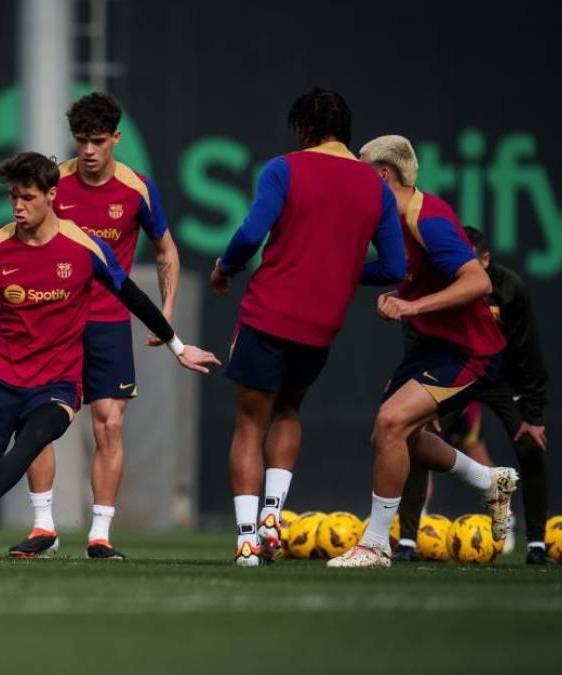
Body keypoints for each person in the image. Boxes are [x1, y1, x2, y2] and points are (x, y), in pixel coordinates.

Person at [0, 152, 219, 558]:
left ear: (51, 195)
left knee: (31, 440)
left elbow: (133, 297)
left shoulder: (84, 248)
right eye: (13, 198)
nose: (18, 207)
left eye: (27, 197)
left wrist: (178, 348)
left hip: (57, 384)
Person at [208, 88, 405, 566]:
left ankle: (248, 542)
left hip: (270, 312)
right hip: (321, 325)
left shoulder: (284, 168)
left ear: (303, 127)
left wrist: (224, 268)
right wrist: (338, 270)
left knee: (250, 424)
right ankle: (275, 514)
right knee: (290, 411)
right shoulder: (374, 186)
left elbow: (251, 233)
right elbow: (394, 267)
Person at [0, 93, 180, 560]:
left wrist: (166, 310)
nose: (88, 150)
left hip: (109, 322)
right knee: (36, 422)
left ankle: (100, 535)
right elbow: (17, 244)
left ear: (115, 138)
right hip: (49, 321)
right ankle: (44, 527)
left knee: (109, 425)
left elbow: (166, 249)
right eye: (80, 140)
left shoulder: (137, 189)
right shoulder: (55, 184)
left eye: (97, 140)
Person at [328, 135, 519, 569]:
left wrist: (410, 305)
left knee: (391, 422)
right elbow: (402, 272)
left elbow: (477, 282)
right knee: (391, 436)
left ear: (382, 175)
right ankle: (489, 480)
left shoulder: (428, 218)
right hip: (431, 345)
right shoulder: (391, 220)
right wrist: (396, 293)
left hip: (468, 349)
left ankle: (375, 546)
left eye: (360, 170)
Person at [393, 226, 551, 565]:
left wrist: (534, 416)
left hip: (501, 377)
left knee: (530, 445)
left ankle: (536, 544)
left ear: (486, 259)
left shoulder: (510, 288)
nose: (459, 269)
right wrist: (419, 390)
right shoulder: (441, 282)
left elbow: (528, 350)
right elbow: (418, 337)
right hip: (457, 371)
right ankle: (407, 538)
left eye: (469, 262)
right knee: (414, 434)